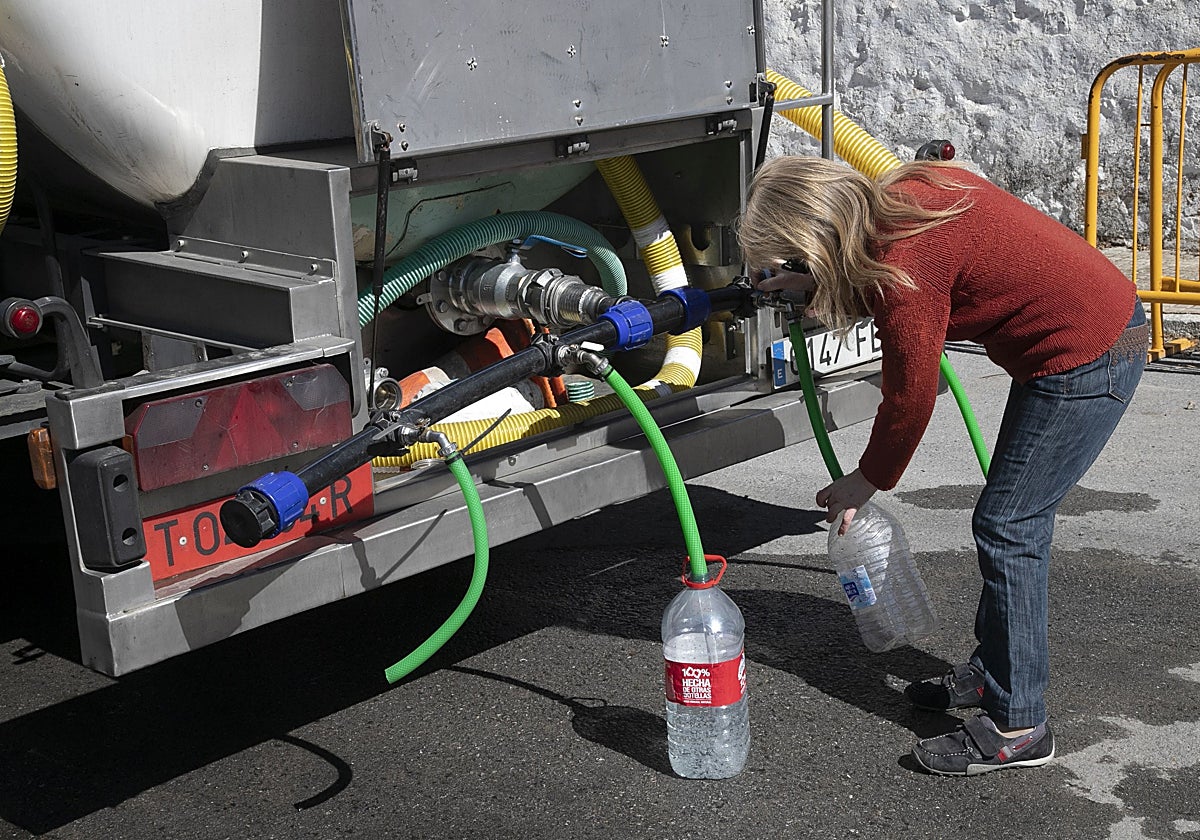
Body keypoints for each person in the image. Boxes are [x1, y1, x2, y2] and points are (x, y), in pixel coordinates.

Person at [738, 154, 1148, 776]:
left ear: (816, 247)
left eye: (787, 266)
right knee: (1006, 520)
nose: (781, 278)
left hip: (1088, 356)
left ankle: (1020, 724)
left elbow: (911, 397)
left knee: (1009, 528)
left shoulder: (902, 269)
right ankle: (993, 674)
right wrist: (813, 288)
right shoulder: (903, 192)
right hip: (1086, 333)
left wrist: (865, 480)